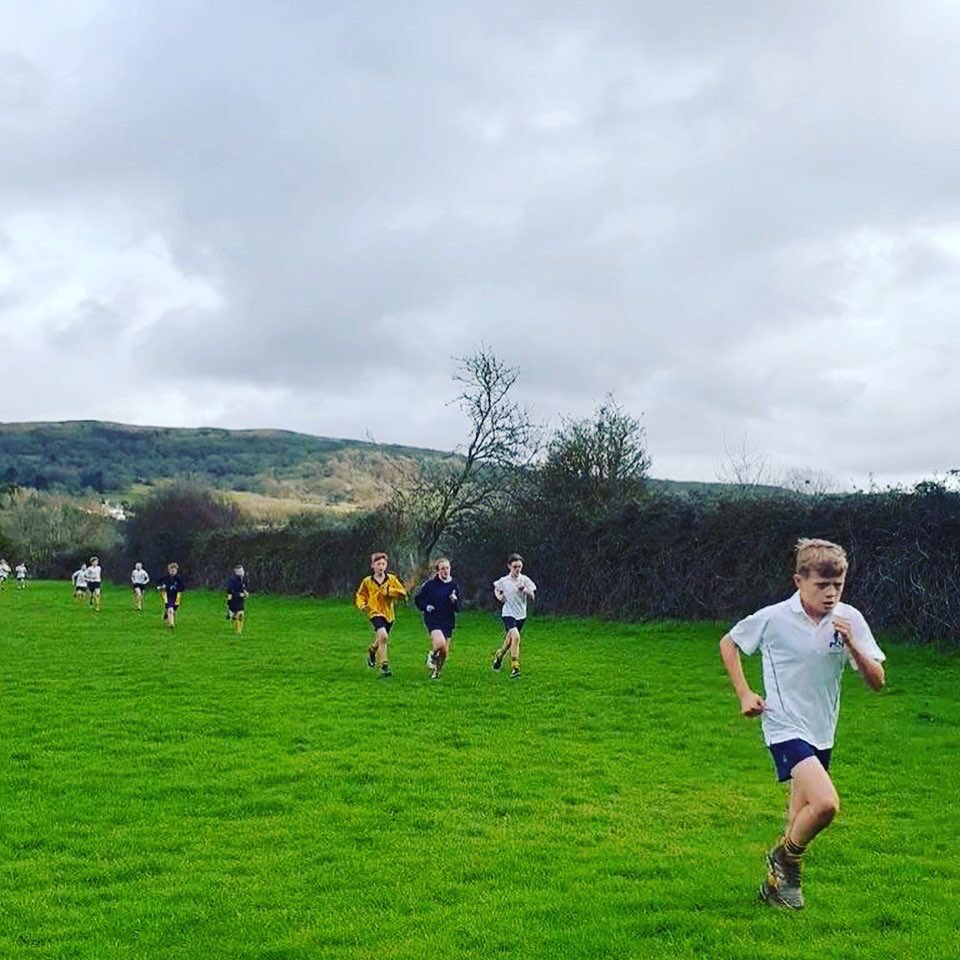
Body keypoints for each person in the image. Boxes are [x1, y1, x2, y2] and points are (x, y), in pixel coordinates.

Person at [719, 538, 886, 910]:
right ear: (799, 581)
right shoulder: (774, 617)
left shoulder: (850, 619)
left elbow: (878, 682)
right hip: (783, 726)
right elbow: (729, 643)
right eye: (821, 585)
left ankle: (775, 890)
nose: (830, 594)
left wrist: (853, 645)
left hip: (822, 729)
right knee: (826, 805)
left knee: (799, 818)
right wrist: (745, 693)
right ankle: (783, 858)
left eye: (837, 586)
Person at [354, 552, 407, 678]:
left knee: (381, 638)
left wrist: (389, 592)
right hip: (374, 612)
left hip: (389, 614)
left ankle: (372, 650)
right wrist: (362, 605)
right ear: (372, 565)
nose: (381, 566)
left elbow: (402, 593)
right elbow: (361, 595)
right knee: (383, 636)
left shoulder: (391, 579)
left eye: (383, 564)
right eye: (378, 564)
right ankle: (384, 666)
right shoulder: (367, 581)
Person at [414, 557, 462, 681]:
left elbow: (458, 608)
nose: (445, 571)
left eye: (447, 568)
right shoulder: (430, 585)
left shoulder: (454, 585)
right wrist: (426, 607)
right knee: (440, 643)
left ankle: (436, 672)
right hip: (433, 619)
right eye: (442, 569)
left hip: (448, 620)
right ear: (437, 571)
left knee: (444, 652)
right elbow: (418, 599)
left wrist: (454, 601)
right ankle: (432, 654)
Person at [491, 553, 537, 679]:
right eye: (515, 566)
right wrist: (499, 597)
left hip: (521, 615)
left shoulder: (525, 580)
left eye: (520, 567)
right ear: (509, 566)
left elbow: (533, 596)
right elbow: (496, 588)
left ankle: (499, 657)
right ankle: (515, 667)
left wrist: (525, 591)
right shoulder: (504, 581)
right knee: (516, 637)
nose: (517, 569)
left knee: (509, 641)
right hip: (508, 614)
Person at [156, 562, 186, 629]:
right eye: (171, 570)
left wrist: (179, 589)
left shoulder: (179, 578)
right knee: (170, 607)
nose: (172, 571)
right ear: (169, 570)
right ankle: (171, 623)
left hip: (176, 595)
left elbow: (183, 587)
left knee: (174, 608)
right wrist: (160, 587)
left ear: (176, 570)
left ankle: (166, 614)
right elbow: (158, 583)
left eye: (174, 570)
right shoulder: (165, 578)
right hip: (167, 594)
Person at [225, 563, 249, 634]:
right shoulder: (233, 580)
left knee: (240, 614)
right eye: (239, 571)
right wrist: (239, 594)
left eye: (242, 571)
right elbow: (230, 591)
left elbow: (243, 588)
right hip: (233, 600)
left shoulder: (243, 580)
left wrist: (245, 592)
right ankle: (231, 615)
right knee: (235, 615)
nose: (242, 573)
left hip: (240, 601)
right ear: (236, 572)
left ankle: (239, 631)